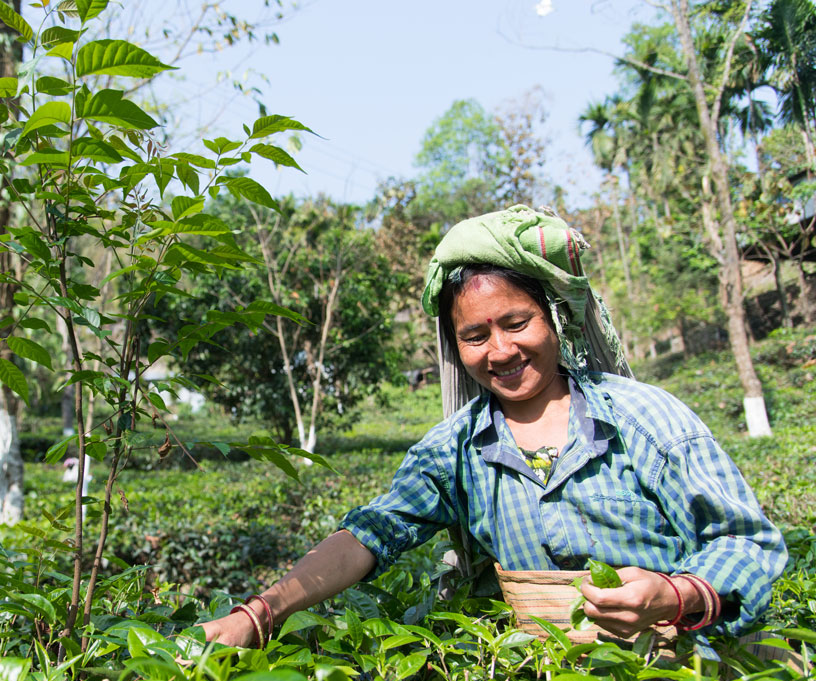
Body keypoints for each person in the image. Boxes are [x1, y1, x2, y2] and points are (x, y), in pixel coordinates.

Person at [200, 205, 786, 653]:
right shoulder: (454, 450)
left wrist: (676, 594)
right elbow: (367, 536)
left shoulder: (645, 419)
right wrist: (258, 615)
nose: (500, 350)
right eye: (475, 336)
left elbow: (746, 542)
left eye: (517, 322)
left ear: (554, 317)